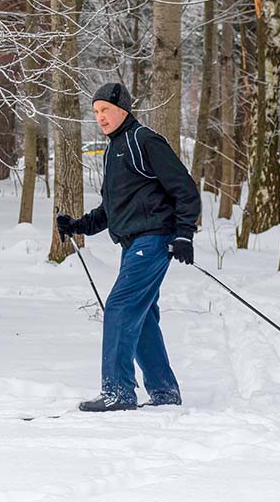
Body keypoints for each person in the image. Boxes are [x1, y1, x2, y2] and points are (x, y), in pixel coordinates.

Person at [56, 82, 201, 412]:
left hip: (153, 240)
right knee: (142, 317)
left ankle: (118, 392)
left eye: (105, 109)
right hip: (133, 243)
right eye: (95, 112)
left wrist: (184, 234)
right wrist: (78, 225)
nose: (100, 117)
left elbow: (185, 188)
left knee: (120, 308)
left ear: (123, 109)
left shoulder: (144, 141)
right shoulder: (113, 150)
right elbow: (112, 209)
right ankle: (164, 392)